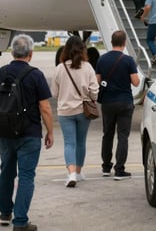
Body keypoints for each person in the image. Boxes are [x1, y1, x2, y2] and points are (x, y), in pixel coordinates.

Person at [0, 34, 54, 231]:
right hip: (29, 133)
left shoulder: (2, 72)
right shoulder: (35, 75)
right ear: (30, 54)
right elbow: (45, 108)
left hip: (5, 132)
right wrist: (50, 132)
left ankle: (5, 213)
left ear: (12, 52)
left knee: (6, 172)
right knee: (26, 176)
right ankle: (20, 222)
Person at [51, 36, 99, 188]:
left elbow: (54, 93)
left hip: (65, 111)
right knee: (81, 142)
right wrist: (90, 97)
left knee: (69, 143)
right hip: (83, 111)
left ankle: (70, 173)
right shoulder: (88, 67)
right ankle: (78, 172)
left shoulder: (60, 68)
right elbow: (95, 90)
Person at [95, 30, 140, 180]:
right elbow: (136, 82)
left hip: (107, 102)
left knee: (107, 134)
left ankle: (106, 167)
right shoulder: (128, 60)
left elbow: (97, 81)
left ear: (112, 42)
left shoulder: (102, 60)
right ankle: (119, 170)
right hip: (125, 102)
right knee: (123, 136)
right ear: (124, 43)